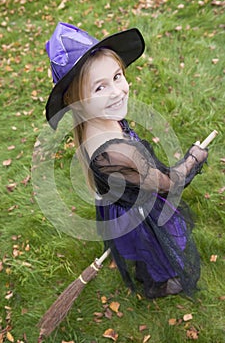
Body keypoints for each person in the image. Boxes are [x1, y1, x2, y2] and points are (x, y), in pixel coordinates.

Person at [45, 22, 208, 299]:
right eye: (99, 88)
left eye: (117, 76)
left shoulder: (95, 121)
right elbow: (169, 184)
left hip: (119, 203)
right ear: (77, 101)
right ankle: (158, 283)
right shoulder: (116, 152)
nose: (117, 91)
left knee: (139, 248)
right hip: (138, 211)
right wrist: (194, 158)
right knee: (155, 249)